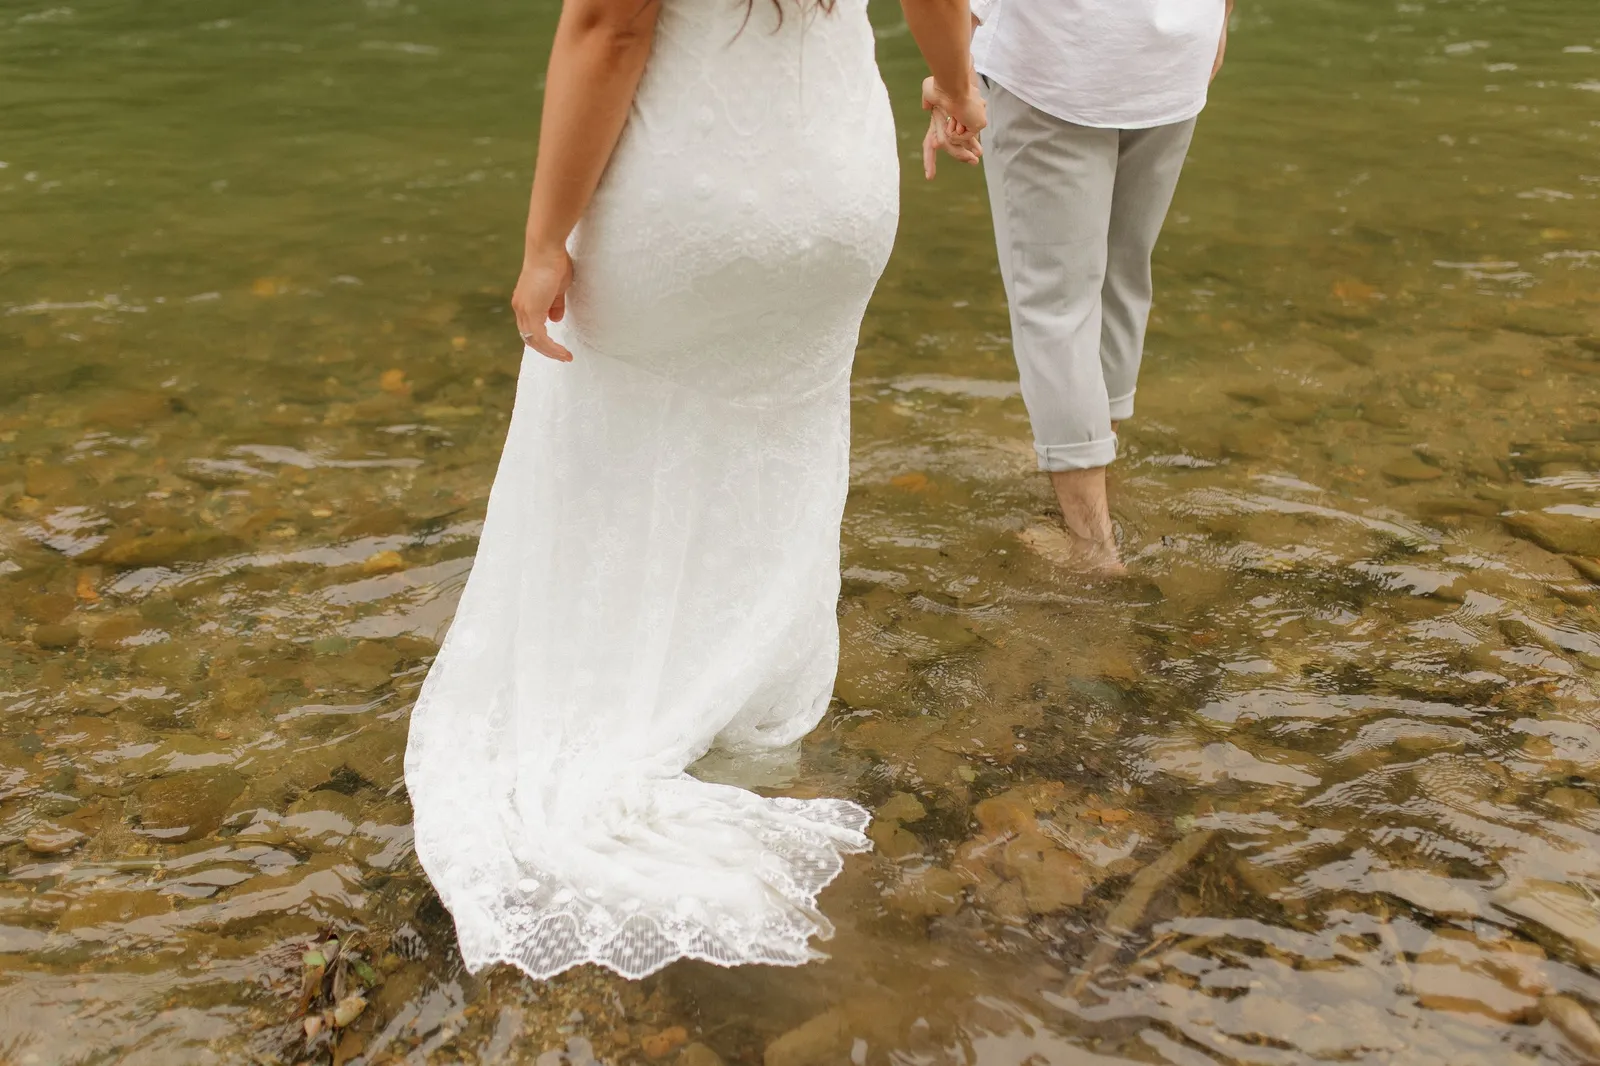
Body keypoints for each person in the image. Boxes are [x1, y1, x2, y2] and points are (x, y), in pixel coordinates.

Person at [403, 0, 984, 980]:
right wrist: (958, 91)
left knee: (603, 448)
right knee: (778, 453)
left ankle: (644, 711)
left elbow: (608, 25)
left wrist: (546, 238)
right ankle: (751, 723)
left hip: (691, 198)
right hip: (836, 198)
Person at [925, 0, 1232, 572]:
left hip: (1059, 59)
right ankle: (1093, 474)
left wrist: (955, 78)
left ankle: (1091, 548)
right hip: (1174, 50)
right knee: (1121, 276)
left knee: (1054, 305)